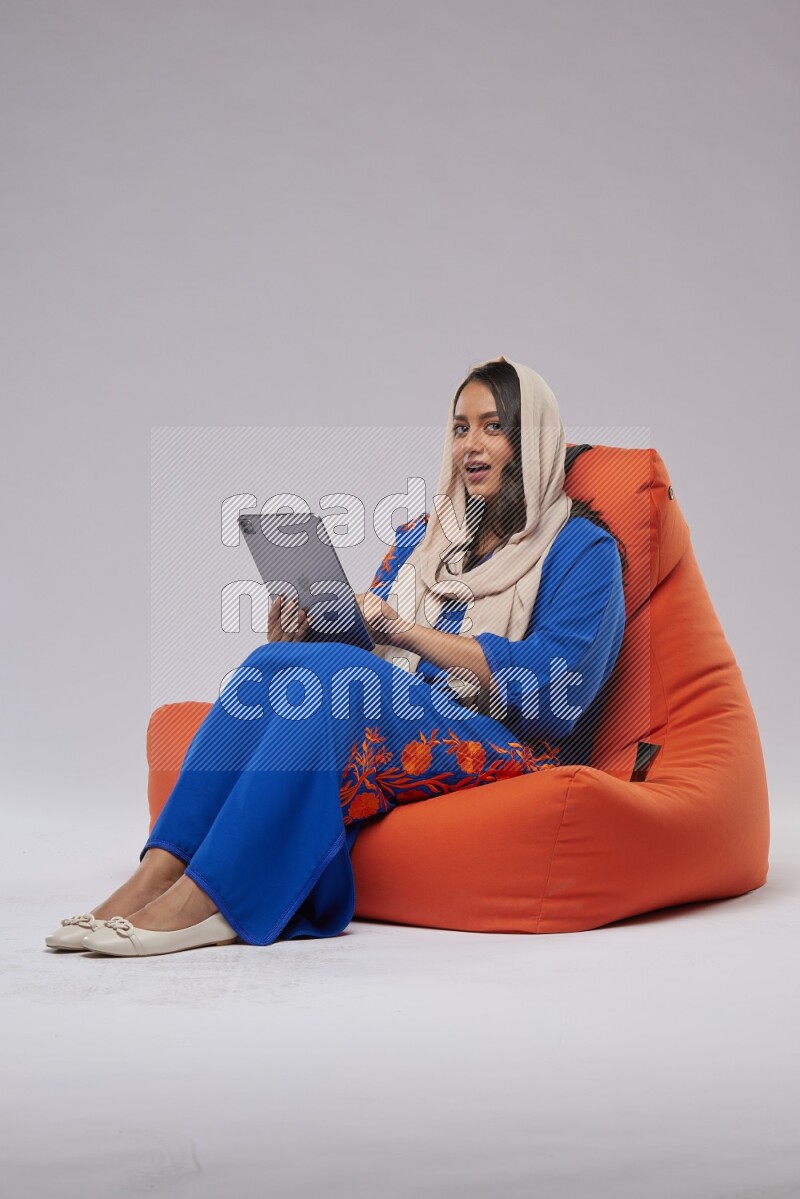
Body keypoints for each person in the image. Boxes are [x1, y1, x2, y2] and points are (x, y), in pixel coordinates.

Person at [45, 356, 626, 957]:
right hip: (398, 706)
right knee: (265, 668)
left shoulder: (582, 549)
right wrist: (299, 643)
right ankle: (155, 876)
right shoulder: (421, 541)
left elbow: (561, 689)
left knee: (337, 678)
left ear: (533, 440)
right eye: (460, 428)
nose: (471, 446)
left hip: (505, 740)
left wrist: (404, 632)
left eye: (493, 427)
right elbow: (358, 657)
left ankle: (210, 899)